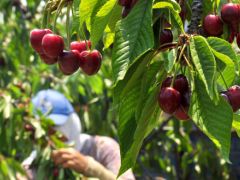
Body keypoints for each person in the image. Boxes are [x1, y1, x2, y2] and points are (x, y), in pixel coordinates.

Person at [21, 89, 135, 180]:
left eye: (54, 128)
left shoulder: (102, 148)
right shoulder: (31, 168)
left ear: (71, 124)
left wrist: (91, 169)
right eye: (42, 131)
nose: (49, 137)